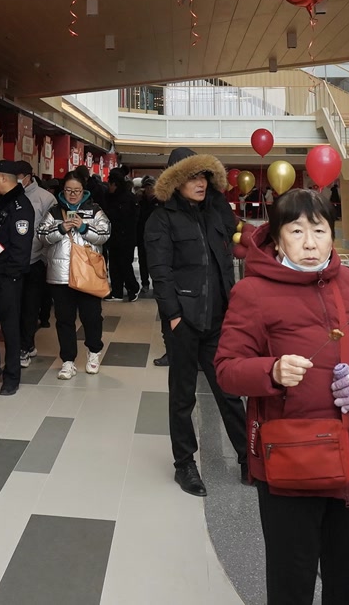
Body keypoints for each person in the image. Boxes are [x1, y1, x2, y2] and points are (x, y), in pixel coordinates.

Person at [217, 188, 349, 605]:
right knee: (292, 583)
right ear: (277, 237)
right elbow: (226, 368)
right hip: (291, 462)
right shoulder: (253, 292)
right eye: (296, 231)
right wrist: (272, 370)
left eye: (319, 231)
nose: (309, 243)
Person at [142, 147, 249, 495]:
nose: (200, 183)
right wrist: (173, 316)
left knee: (229, 392)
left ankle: (248, 458)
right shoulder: (161, 219)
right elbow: (160, 273)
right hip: (184, 321)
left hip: (219, 319)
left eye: (204, 176)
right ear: (176, 181)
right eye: (192, 177)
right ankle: (184, 464)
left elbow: (236, 238)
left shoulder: (215, 211)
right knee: (183, 396)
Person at [41, 170, 111, 379]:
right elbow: (42, 235)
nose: (72, 195)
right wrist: (61, 228)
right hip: (60, 275)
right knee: (64, 319)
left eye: (77, 191)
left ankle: (94, 352)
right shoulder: (54, 211)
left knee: (92, 317)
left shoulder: (94, 210)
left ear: (84, 191)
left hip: (87, 273)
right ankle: (68, 361)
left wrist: (83, 228)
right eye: (68, 190)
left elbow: (105, 234)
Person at [0, 159, 34, 395]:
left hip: (8, 278)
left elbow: (21, 249)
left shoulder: (21, 206)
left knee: (10, 330)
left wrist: (9, 275)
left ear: (3, 178)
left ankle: (12, 376)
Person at [18, 161, 57, 366]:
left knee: (30, 306)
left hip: (35, 260)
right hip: (13, 261)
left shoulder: (46, 198)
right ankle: (25, 344)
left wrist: (45, 258)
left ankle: (25, 345)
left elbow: (51, 231)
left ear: (28, 176)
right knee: (15, 306)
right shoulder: (7, 197)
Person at [103, 169, 140, 302]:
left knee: (124, 264)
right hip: (116, 237)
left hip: (125, 238)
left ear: (115, 184)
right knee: (114, 265)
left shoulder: (127, 199)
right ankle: (117, 292)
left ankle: (133, 288)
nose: (109, 187)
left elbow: (129, 219)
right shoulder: (113, 197)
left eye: (110, 184)